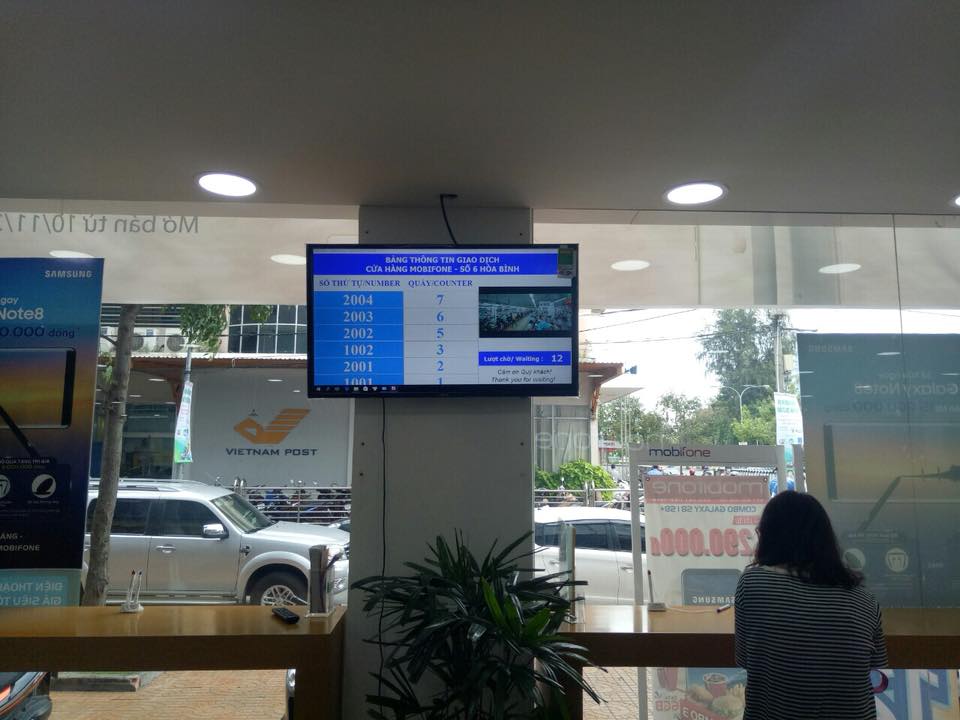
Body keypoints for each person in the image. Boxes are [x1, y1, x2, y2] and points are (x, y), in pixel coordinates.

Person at [735, 491, 887, 719]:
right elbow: (873, 663)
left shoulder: (753, 584)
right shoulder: (864, 599)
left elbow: (746, 659)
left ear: (769, 537)